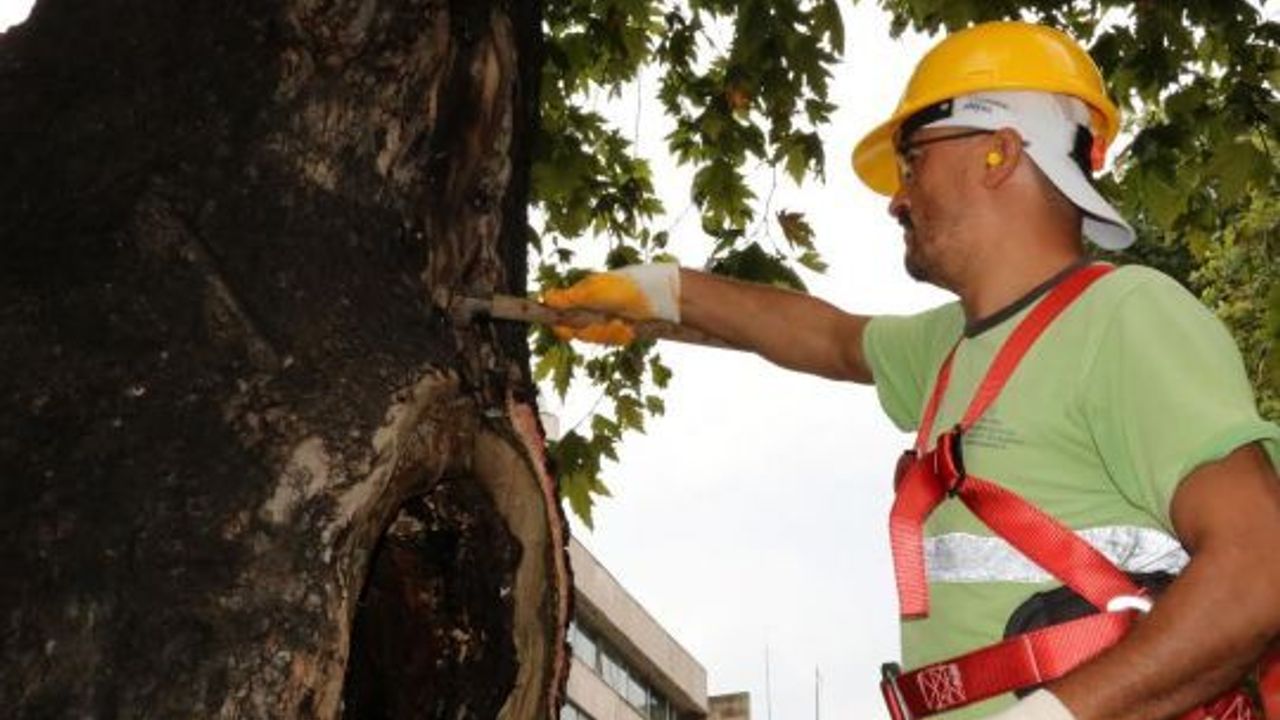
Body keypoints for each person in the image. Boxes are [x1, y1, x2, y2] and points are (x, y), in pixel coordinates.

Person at [543, 21, 1280, 720]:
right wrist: (663, 295)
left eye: (913, 160)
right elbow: (824, 338)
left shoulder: (1126, 318)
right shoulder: (950, 348)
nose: (897, 197)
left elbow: (1258, 570)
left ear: (999, 152)